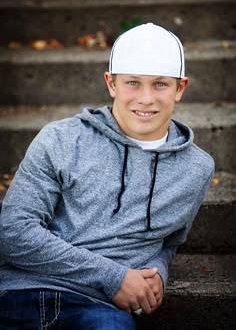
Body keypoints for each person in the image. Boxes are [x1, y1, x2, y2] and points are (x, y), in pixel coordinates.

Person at [0, 23, 214, 330]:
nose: (145, 98)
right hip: (20, 293)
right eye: (132, 83)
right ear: (111, 84)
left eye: (160, 85)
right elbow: (12, 233)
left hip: (99, 309)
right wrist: (114, 277)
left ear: (180, 88)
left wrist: (156, 275)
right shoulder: (60, 139)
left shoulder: (196, 169)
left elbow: (169, 241)